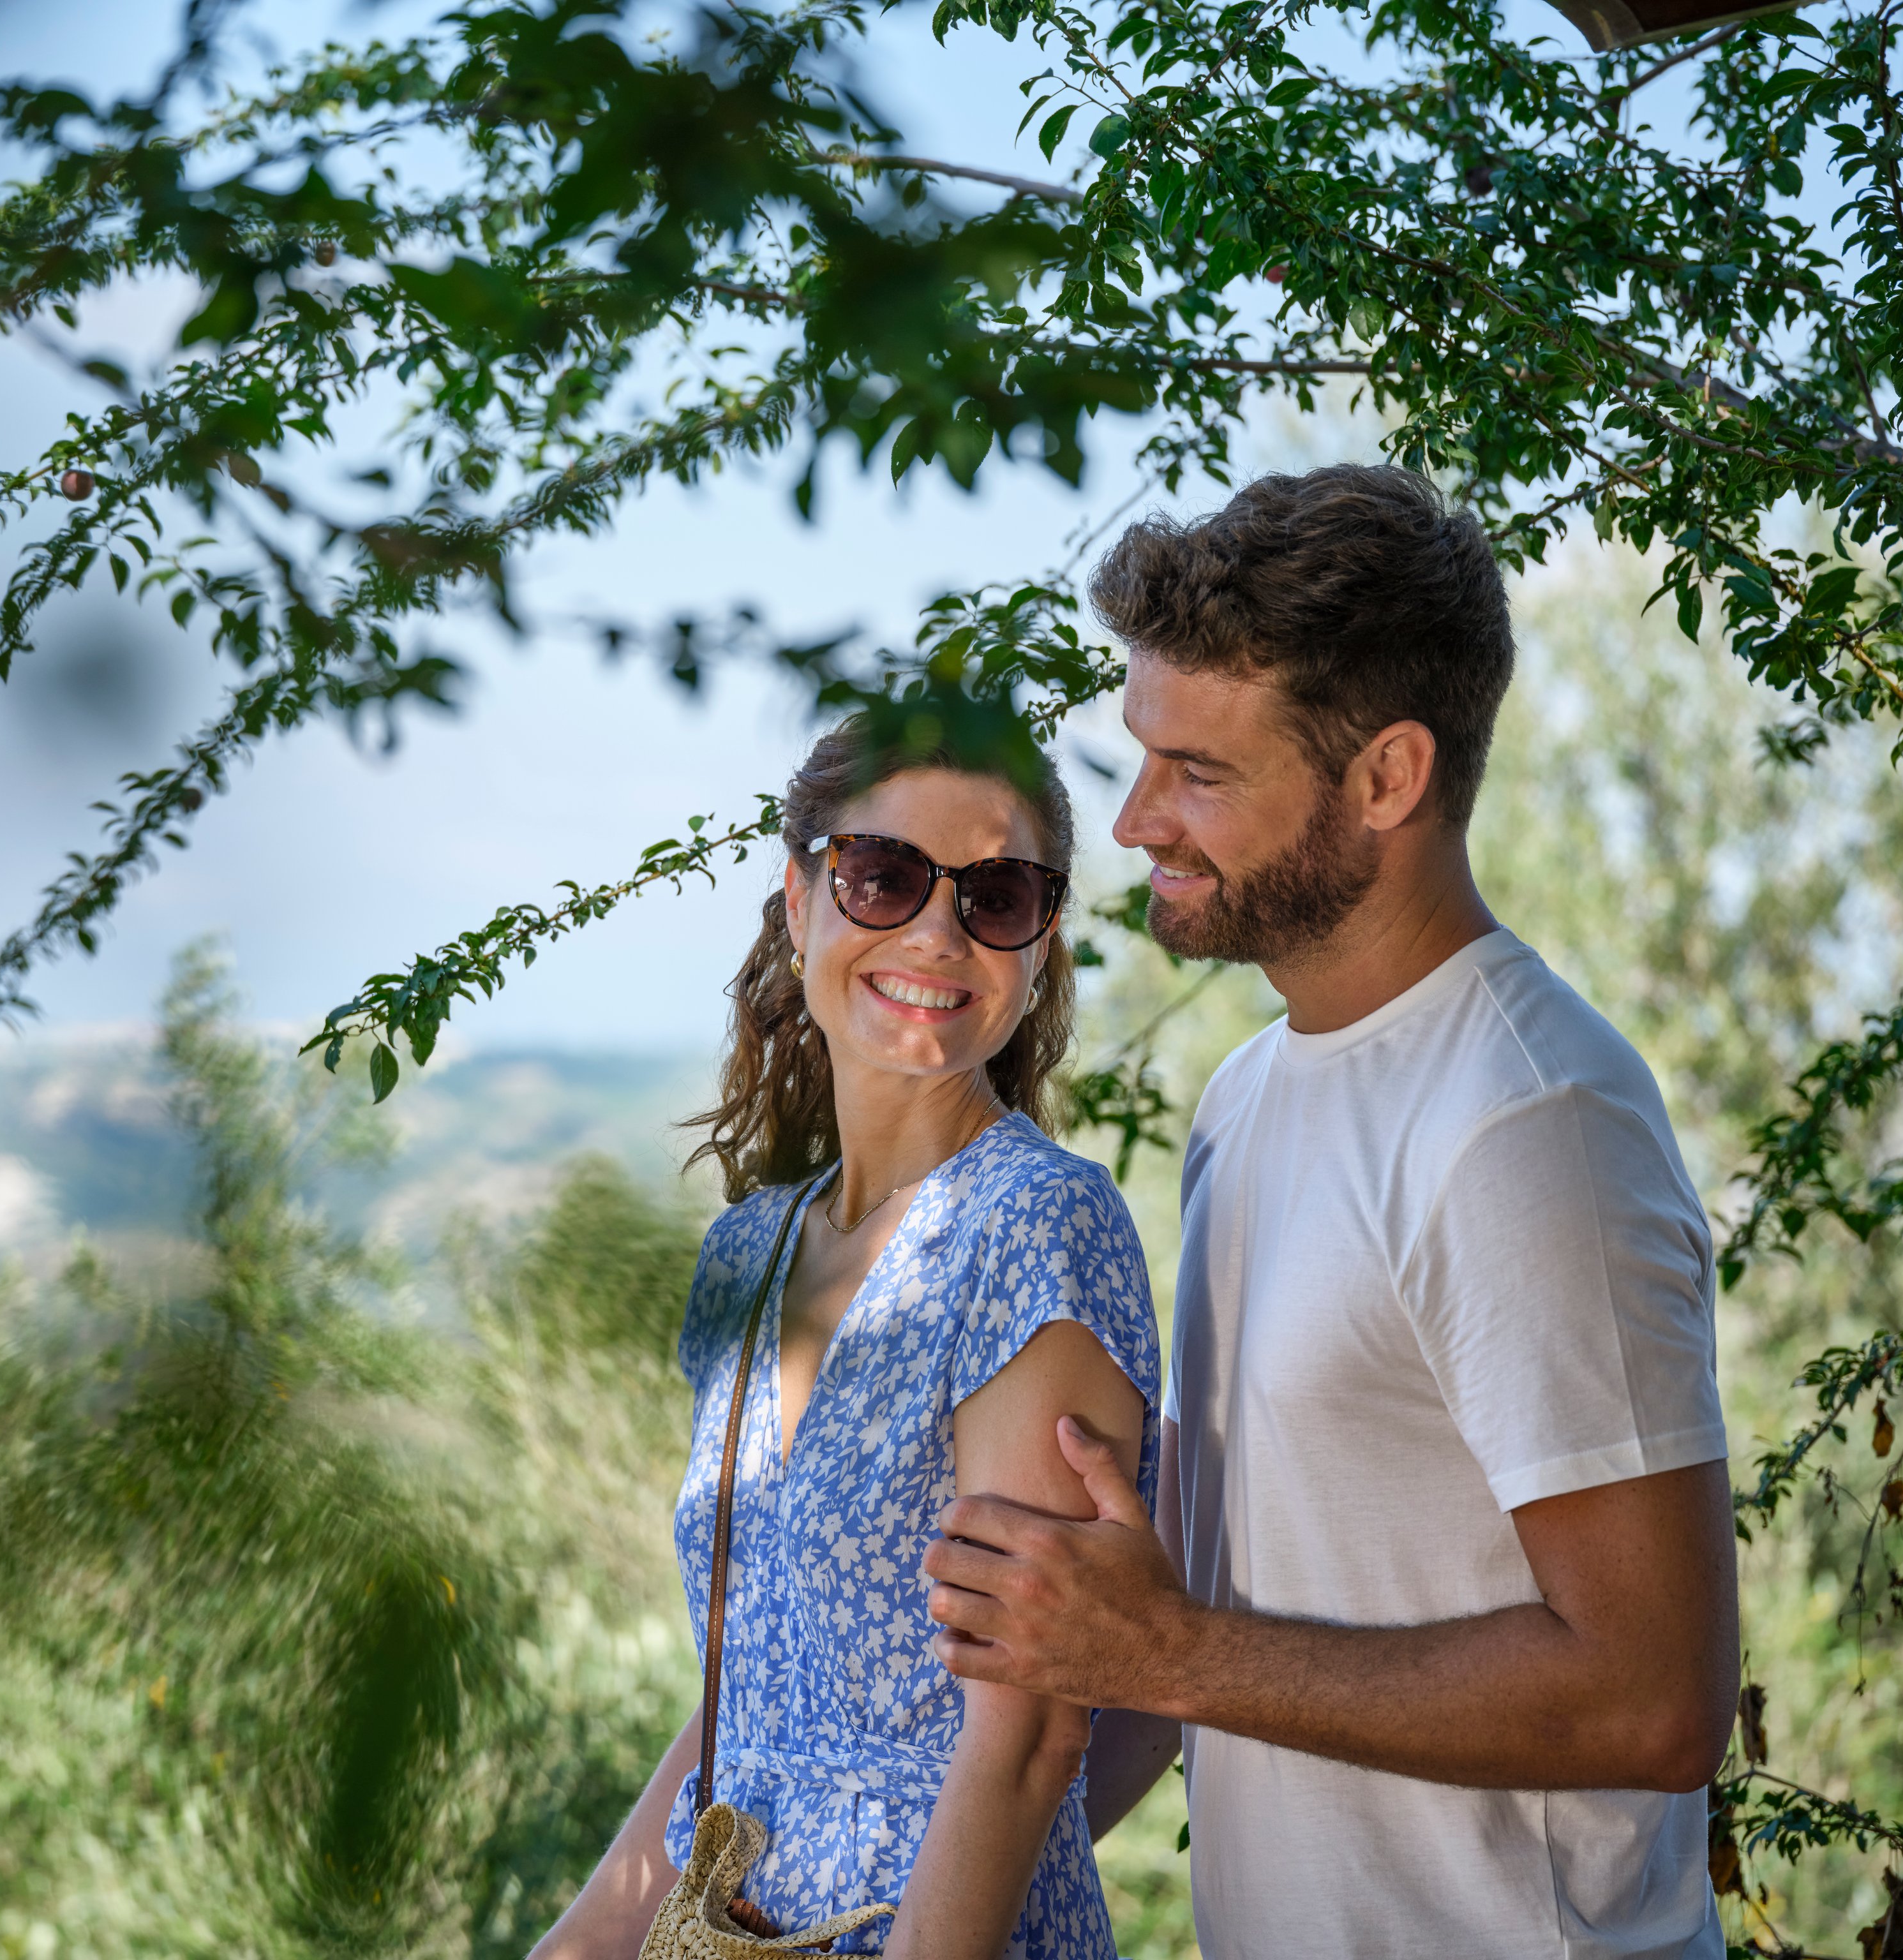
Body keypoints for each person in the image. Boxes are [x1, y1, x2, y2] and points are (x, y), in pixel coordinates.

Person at [922, 464, 1740, 1959]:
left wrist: (1172, 1656)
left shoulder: (1523, 1124)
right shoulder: (1247, 1097)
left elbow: (1654, 1698)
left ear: (1385, 779)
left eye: (1201, 774)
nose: (1136, 818)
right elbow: (1215, 1648)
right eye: (1140, 754)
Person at [530, 718, 1163, 1960]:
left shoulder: (1031, 1226)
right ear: (799, 899)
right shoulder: (751, 1252)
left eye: (993, 895)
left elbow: (1029, 1738)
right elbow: (742, 1708)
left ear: (1037, 948)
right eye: (882, 876)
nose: (934, 933)